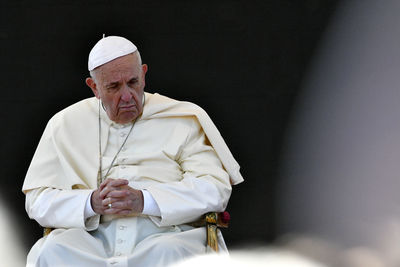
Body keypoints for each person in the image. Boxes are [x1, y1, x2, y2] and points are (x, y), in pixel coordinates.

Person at [22, 35, 243, 267]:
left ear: (144, 74)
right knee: (52, 250)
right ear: (94, 87)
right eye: (114, 87)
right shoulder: (64, 125)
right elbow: (38, 201)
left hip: (167, 234)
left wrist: (144, 200)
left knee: (171, 252)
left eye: (133, 82)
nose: (127, 96)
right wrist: (91, 203)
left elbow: (214, 189)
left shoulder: (183, 119)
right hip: (90, 240)